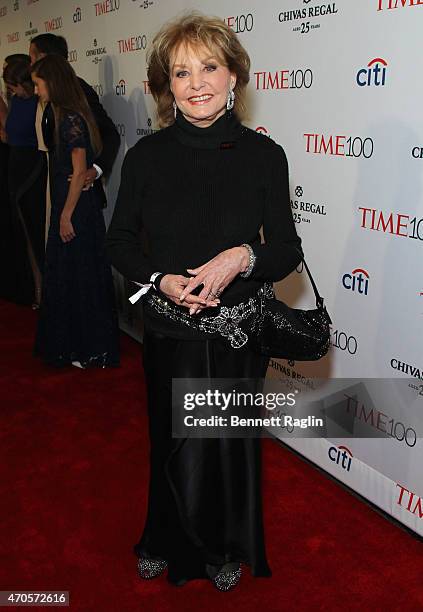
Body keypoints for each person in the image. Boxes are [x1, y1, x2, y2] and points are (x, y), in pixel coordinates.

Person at [106, 12, 303, 591]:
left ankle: (223, 548)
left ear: (233, 75)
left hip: (239, 331)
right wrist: (161, 279)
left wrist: (241, 257)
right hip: (170, 330)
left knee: (226, 444)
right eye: (181, 72)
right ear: (167, 86)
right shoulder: (146, 158)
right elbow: (118, 242)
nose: (196, 83)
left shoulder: (265, 157)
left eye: (208, 67)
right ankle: (163, 539)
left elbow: (286, 249)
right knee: (171, 440)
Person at [31, 55, 120, 368]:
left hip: (76, 207)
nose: (36, 91)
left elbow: (79, 171)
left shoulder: (70, 118)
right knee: (75, 274)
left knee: (81, 275)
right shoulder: (65, 113)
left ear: (52, 83)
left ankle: (87, 348)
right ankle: (77, 346)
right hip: (72, 203)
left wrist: (65, 215)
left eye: (38, 85)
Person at [29, 34, 119, 215]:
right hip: (57, 183)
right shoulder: (47, 94)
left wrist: (96, 169)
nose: (30, 64)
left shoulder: (79, 90)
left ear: (44, 58)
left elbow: (110, 133)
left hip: (78, 194)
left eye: (32, 58)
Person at [3, 58, 46, 307]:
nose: (12, 91)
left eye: (14, 86)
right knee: (23, 233)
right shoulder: (17, 102)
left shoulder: (39, 103)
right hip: (15, 168)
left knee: (36, 231)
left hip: (34, 171)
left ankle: (44, 289)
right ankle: (34, 287)